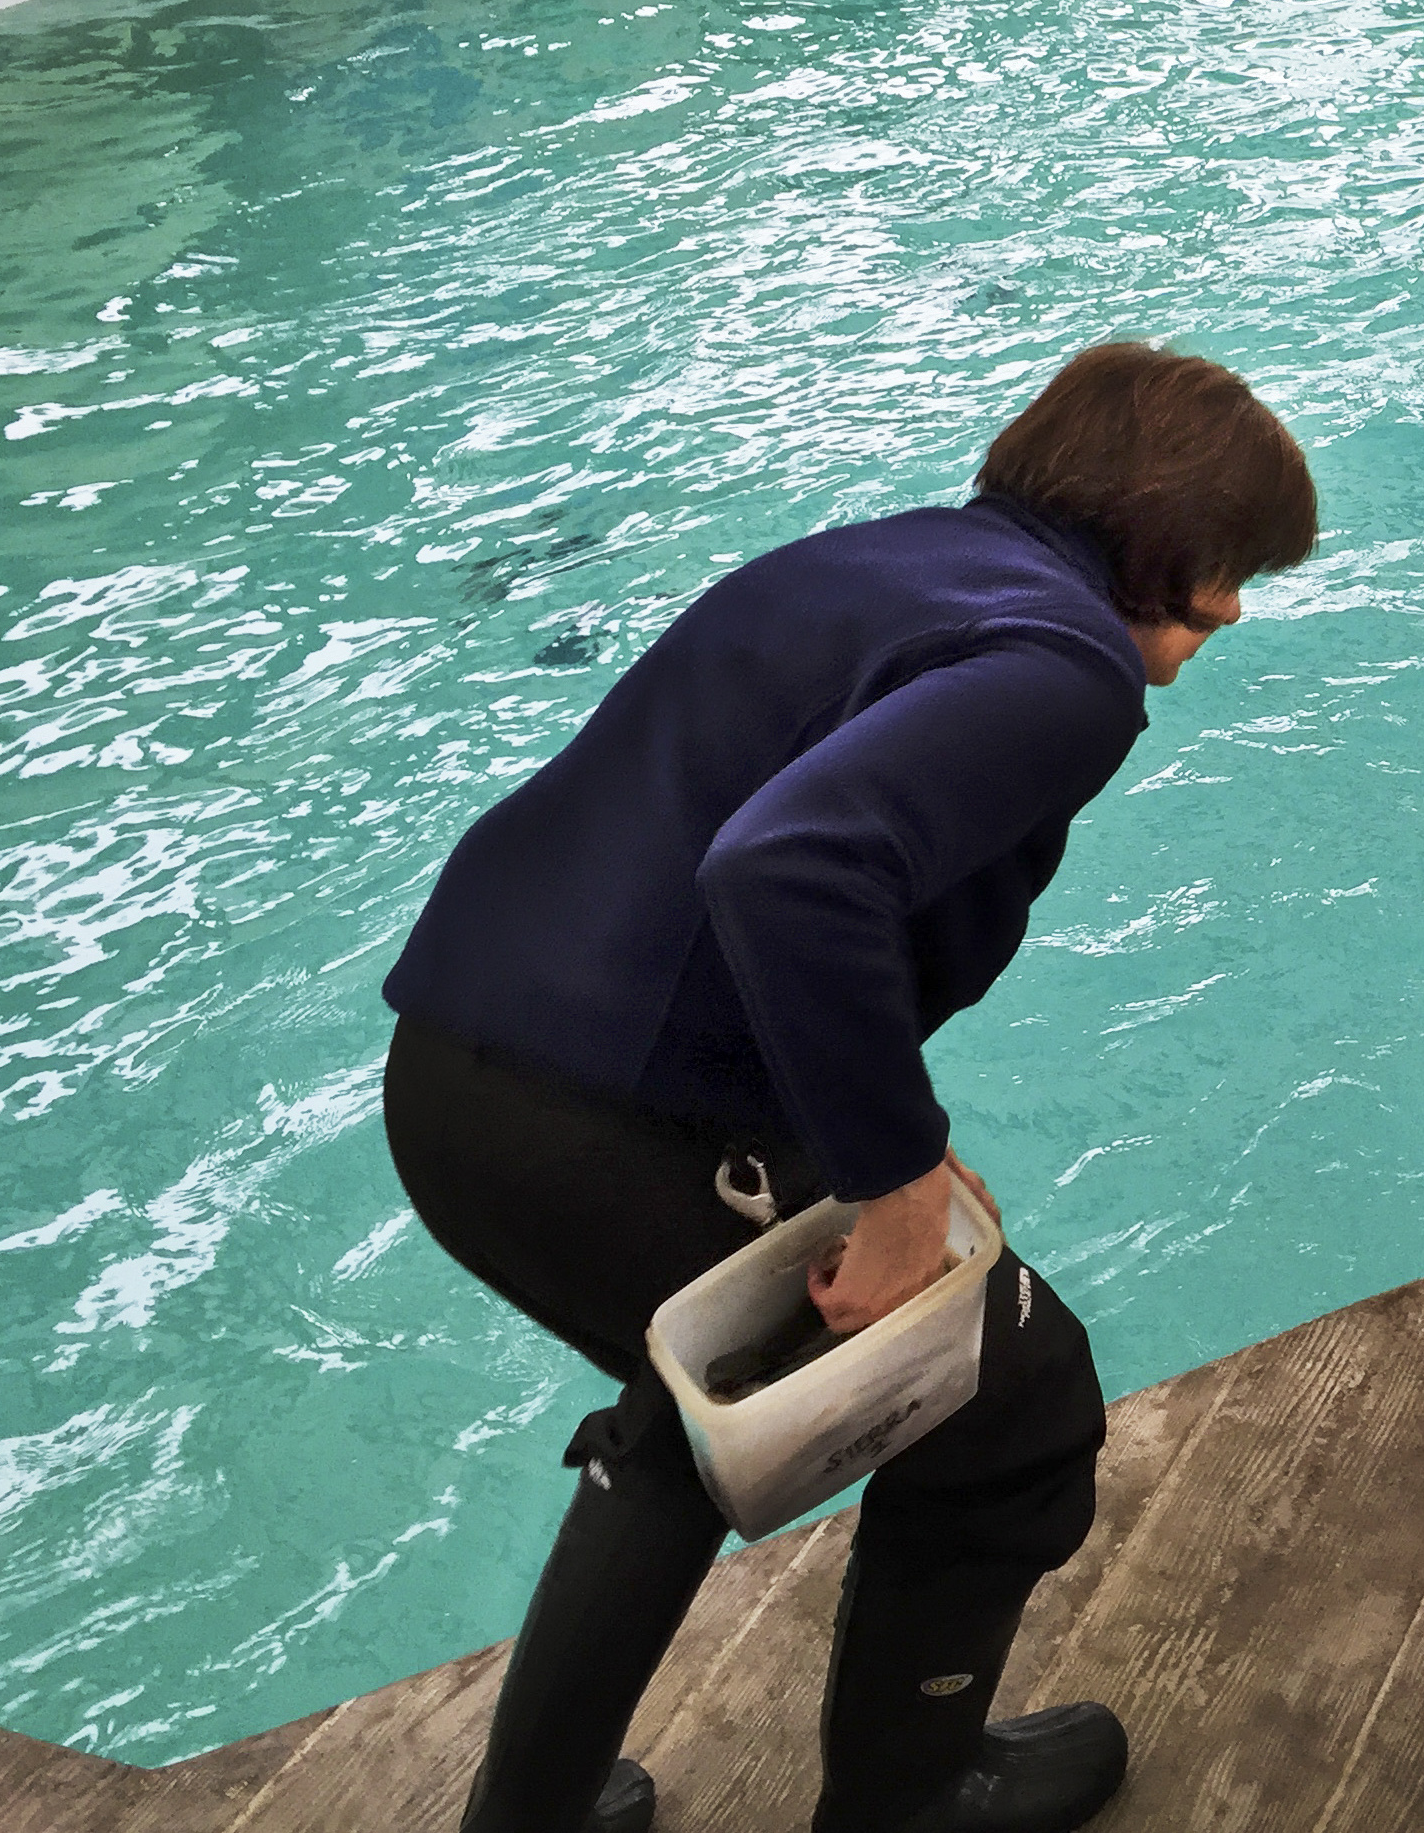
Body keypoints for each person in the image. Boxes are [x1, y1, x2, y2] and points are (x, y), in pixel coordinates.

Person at [378, 342, 1316, 1833]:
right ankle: (912, 1796)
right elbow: (791, 865)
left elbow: (722, 865)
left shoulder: (904, 560)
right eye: (1235, 570)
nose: (1239, 608)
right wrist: (890, 1182)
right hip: (589, 1113)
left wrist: (883, 1145)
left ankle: (533, 1811)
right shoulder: (1070, 663)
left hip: (458, 1069)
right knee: (1008, 1406)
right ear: (1172, 544)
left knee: (697, 1419)